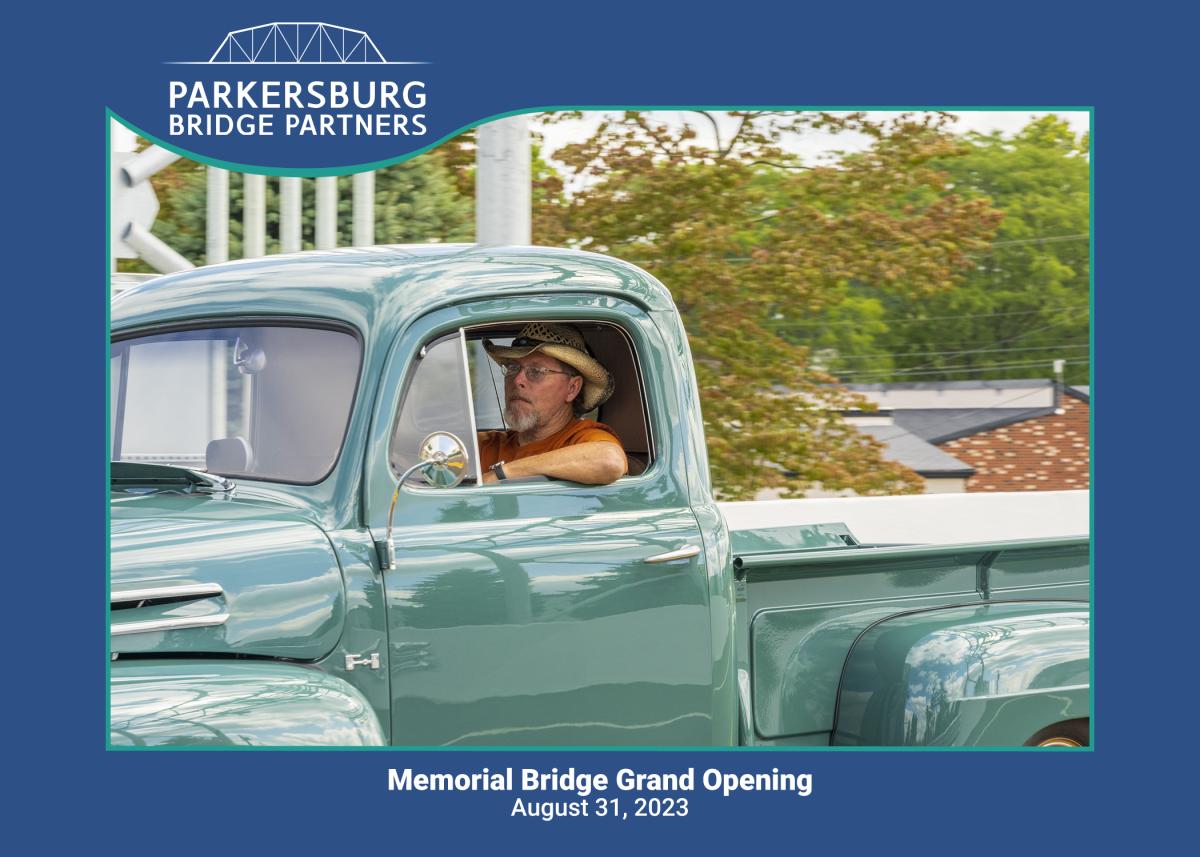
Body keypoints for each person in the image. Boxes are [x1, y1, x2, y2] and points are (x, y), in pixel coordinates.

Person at [478, 322, 627, 485]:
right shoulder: (487, 445)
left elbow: (610, 461)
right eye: (513, 368)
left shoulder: (582, 439)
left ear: (572, 388)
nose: (517, 380)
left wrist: (501, 474)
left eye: (536, 371)